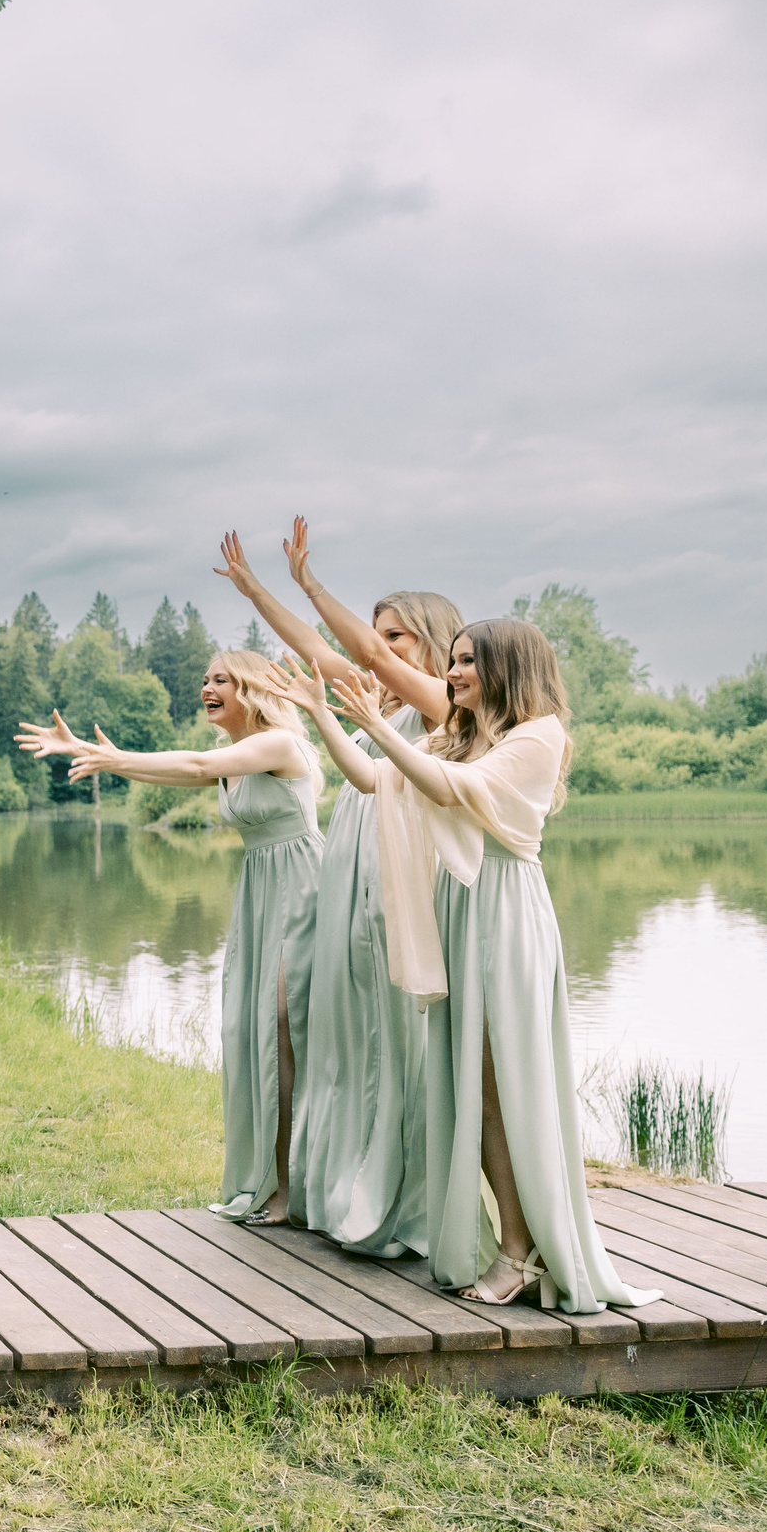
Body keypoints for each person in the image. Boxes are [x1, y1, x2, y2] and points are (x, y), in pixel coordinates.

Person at [329, 623, 661, 1311]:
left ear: (506, 666)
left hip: (506, 911)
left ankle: (523, 1250)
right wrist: (322, 714)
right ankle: (518, 1244)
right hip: (460, 907)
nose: (452, 674)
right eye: (450, 661)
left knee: (503, 1084)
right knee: (468, 1083)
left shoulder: (539, 736)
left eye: (465, 662)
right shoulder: (458, 735)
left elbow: (452, 791)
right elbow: (371, 777)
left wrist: (377, 723)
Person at [216, 527, 462, 1257]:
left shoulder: (445, 708)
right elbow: (331, 660)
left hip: (397, 882)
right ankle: (333, 1187)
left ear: (433, 644)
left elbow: (359, 655)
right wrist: (261, 590)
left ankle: (400, 1203)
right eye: (376, 631)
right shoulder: (373, 704)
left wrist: (311, 585)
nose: (374, 647)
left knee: (393, 1041)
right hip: (346, 874)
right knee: (339, 1039)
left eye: (394, 637)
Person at [18, 653, 323, 1224]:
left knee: (287, 1031)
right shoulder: (234, 756)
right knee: (253, 1033)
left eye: (220, 679)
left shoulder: (279, 744)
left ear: (252, 689)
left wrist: (106, 755)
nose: (206, 687)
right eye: (204, 677)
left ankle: (299, 1190)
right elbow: (183, 769)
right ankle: (276, 1184)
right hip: (261, 889)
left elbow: (194, 765)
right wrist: (98, 757)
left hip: (304, 892)